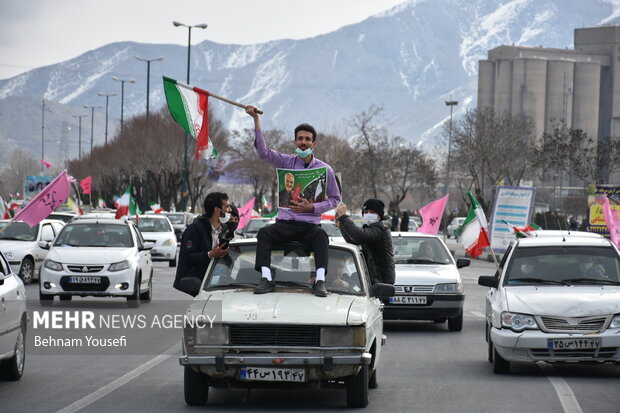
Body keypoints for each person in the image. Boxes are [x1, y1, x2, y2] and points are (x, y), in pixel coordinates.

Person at [246, 105, 341, 297]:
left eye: (308, 139)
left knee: (321, 237)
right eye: (300, 138)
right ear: (295, 141)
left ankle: (320, 281)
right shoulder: (286, 162)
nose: (304, 142)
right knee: (264, 233)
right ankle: (266, 278)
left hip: (309, 226)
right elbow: (264, 152)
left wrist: (313, 206)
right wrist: (256, 120)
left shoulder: (325, 170)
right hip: (285, 224)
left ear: (314, 143)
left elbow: (335, 199)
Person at [173, 192, 231, 296]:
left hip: (221, 285)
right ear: (217, 210)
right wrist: (210, 254)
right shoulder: (194, 229)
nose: (229, 210)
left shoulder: (225, 230)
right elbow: (186, 257)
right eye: (226, 207)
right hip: (200, 286)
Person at [335, 198, 395, 285]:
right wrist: (341, 224)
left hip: (382, 282)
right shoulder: (371, 229)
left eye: (372, 212)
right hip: (371, 278)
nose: (368, 214)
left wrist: (344, 217)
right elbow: (352, 240)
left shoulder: (381, 228)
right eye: (366, 212)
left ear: (379, 215)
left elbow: (358, 235)